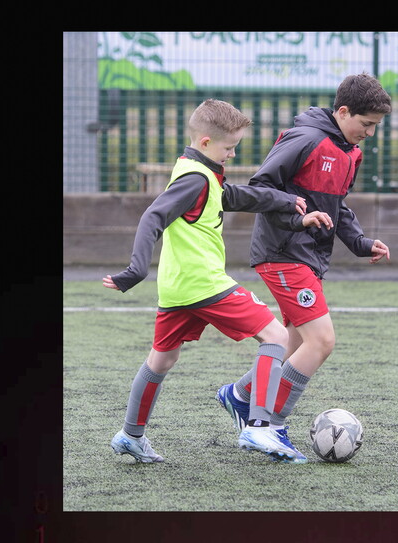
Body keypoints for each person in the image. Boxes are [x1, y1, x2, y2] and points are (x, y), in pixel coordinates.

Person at [104, 98, 333, 464]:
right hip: (204, 284)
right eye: (230, 148)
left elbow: (234, 196)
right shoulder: (195, 178)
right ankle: (258, 426)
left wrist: (286, 202)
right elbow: (152, 217)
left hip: (179, 288)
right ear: (207, 142)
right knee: (275, 336)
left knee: (161, 361)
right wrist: (135, 269)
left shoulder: (197, 172)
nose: (233, 153)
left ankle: (131, 435)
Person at [214, 73, 392, 459]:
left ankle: (241, 394)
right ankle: (269, 424)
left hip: (308, 256)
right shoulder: (306, 139)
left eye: (375, 126)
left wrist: (361, 243)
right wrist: (298, 219)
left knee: (295, 342)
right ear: (343, 111)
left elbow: (337, 205)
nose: (370, 133)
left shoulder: (350, 152)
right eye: (366, 124)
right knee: (321, 340)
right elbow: (262, 187)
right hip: (282, 251)